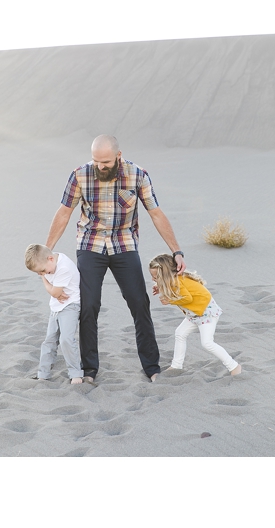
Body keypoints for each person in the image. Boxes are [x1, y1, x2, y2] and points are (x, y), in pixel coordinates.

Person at [41, 135, 188, 383]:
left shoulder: (137, 174)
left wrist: (177, 250)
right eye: (97, 161)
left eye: (106, 162)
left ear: (119, 156)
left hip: (124, 244)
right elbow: (64, 212)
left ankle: (151, 367)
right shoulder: (80, 175)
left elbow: (156, 213)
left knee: (139, 303)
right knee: (88, 306)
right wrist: (47, 251)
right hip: (90, 243)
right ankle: (89, 370)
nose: (101, 167)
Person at [149, 252, 242, 377]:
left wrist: (170, 300)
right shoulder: (173, 280)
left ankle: (234, 366)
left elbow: (187, 299)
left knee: (207, 343)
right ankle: (176, 365)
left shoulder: (178, 282)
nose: (153, 280)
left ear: (165, 275)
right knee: (180, 333)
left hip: (206, 313)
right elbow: (172, 288)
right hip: (194, 314)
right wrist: (160, 286)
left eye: (155, 277)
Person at [23, 243, 85, 383]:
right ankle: (43, 373)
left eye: (43, 271)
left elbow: (55, 292)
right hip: (55, 307)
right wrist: (51, 286)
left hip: (70, 306)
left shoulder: (63, 268)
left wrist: (49, 287)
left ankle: (75, 373)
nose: (42, 275)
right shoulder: (48, 263)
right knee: (49, 340)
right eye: (39, 273)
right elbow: (55, 293)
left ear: (51, 259)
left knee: (66, 340)